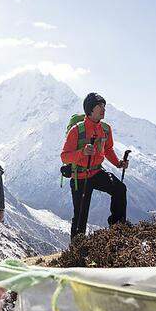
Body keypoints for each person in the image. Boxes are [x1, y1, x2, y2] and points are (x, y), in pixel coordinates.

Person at [61, 93, 129, 239]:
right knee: (80, 215)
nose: (104, 109)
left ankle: (117, 231)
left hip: (97, 172)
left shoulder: (105, 129)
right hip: (80, 176)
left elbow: (108, 149)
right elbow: (65, 156)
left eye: (104, 106)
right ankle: (77, 251)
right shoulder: (76, 130)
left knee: (119, 189)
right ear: (90, 109)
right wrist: (82, 152)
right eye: (100, 106)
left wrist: (118, 163)